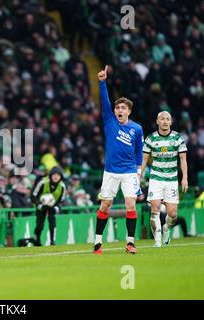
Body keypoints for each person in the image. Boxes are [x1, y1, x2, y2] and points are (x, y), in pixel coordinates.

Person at [93, 65, 144, 255]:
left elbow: (139, 151)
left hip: (130, 172)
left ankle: (130, 243)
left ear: (129, 111)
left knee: (131, 204)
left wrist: (139, 172)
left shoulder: (137, 129)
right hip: (111, 172)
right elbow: (104, 102)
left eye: (123, 108)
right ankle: (98, 243)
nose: (119, 110)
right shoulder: (109, 121)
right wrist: (102, 82)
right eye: (117, 107)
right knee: (105, 205)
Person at [141, 111, 187, 247]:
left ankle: (166, 228)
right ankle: (157, 240)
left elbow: (183, 159)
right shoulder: (150, 139)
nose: (165, 121)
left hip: (172, 180)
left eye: (168, 119)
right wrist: (139, 176)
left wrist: (184, 178)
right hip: (156, 178)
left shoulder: (178, 138)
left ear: (171, 122)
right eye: (162, 119)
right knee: (154, 209)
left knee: (172, 214)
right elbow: (143, 160)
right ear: (157, 121)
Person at [31, 166, 66, 246]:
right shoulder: (42, 182)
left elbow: (62, 201)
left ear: (61, 177)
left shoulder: (62, 186)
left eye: (58, 175)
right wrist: (39, 205)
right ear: (50, 175)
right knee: (39, 225)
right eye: (54, 174)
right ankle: (37, 240)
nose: (56, 177)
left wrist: (56, 208)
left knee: (52, 223)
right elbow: (33, 195)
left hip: (53, 206)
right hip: (41, 205)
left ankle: (52, 241)